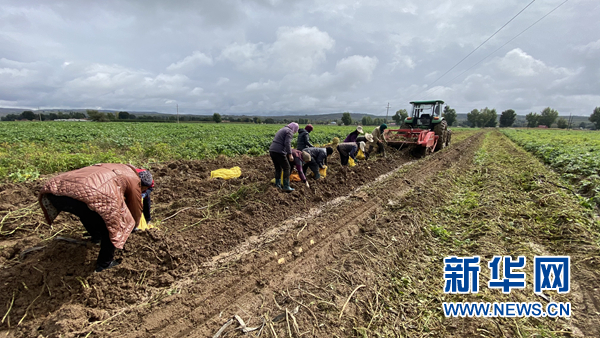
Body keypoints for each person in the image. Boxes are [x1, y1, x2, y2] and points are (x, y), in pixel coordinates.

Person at [38, 163, 153, 272]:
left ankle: (96, 238)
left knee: (86, 211)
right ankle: (104, 264)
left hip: (55, 191)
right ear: (141, 185)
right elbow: (135, 207)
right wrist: (134, 225)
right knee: (113, 226)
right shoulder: (134, 180)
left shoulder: (117, 166)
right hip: (87, 194)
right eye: (143, 190)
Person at [269, 122, 299, 192]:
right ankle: (286, 186)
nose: (294, 132)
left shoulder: (283, 129)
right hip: (279, 151)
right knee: (287, 168)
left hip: (272, 150)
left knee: (278, 168)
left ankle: (278, 185)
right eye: (295, 130)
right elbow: (287, 143)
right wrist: (290, 154)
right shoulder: (289, 132)